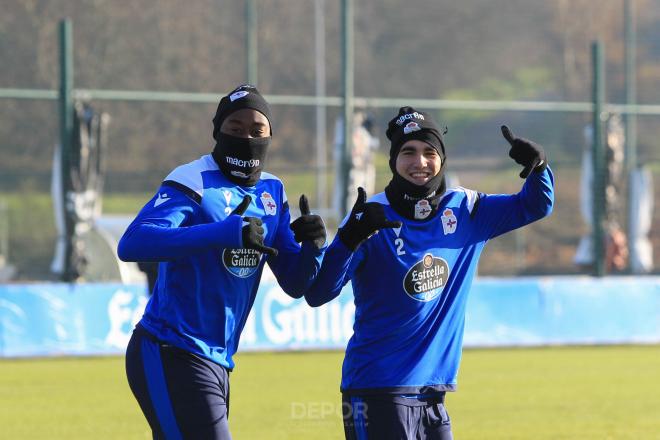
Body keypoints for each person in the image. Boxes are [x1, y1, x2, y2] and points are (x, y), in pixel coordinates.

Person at [304, 106, 554, 439]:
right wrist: (347, 241)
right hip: (378, 389)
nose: (419, 162)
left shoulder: (467, 210)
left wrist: (538, 168)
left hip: (434, 393)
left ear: (442, 158)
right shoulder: (370, 216)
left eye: (429, 152)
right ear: (393, 160)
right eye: (408, 152)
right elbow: (319, 292)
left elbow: (535, 205)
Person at [118, 84, 327, 439]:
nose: (247, 136)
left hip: (217, 361)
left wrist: (315, 247)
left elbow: (295, 282)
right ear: (217, 131)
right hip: (169, 349)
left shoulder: (272, 191)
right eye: (235, 128)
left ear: (270, 135)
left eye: (257, 129)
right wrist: (222, 233)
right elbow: (133, 243)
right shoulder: (192, 180)